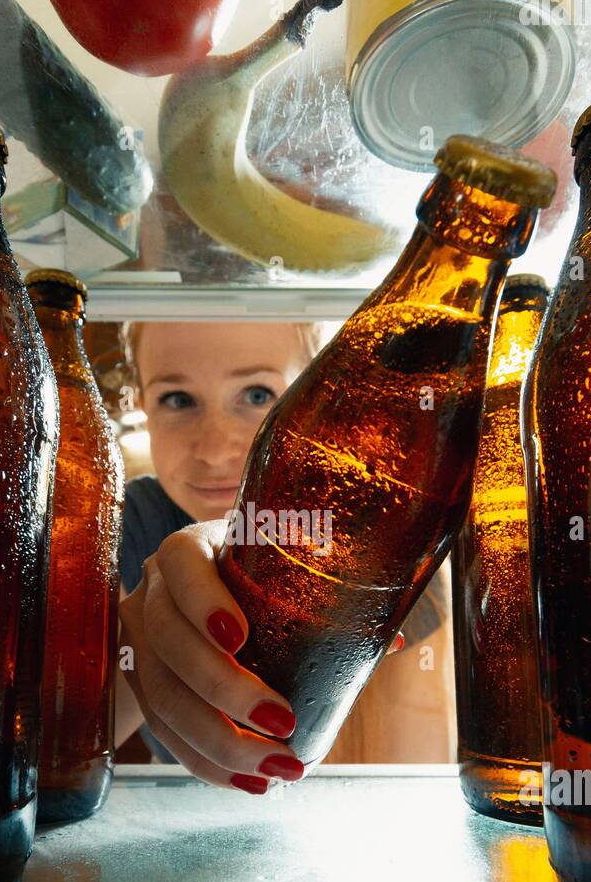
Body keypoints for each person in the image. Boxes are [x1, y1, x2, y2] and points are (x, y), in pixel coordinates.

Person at [115, 319, 449, 792]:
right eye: (178, 399)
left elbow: (410, 785)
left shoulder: (389, 542)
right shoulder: (131, 516)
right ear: (143, 403)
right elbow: (52, 767)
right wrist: (136, 641)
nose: (214, 449)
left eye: (256, 394)